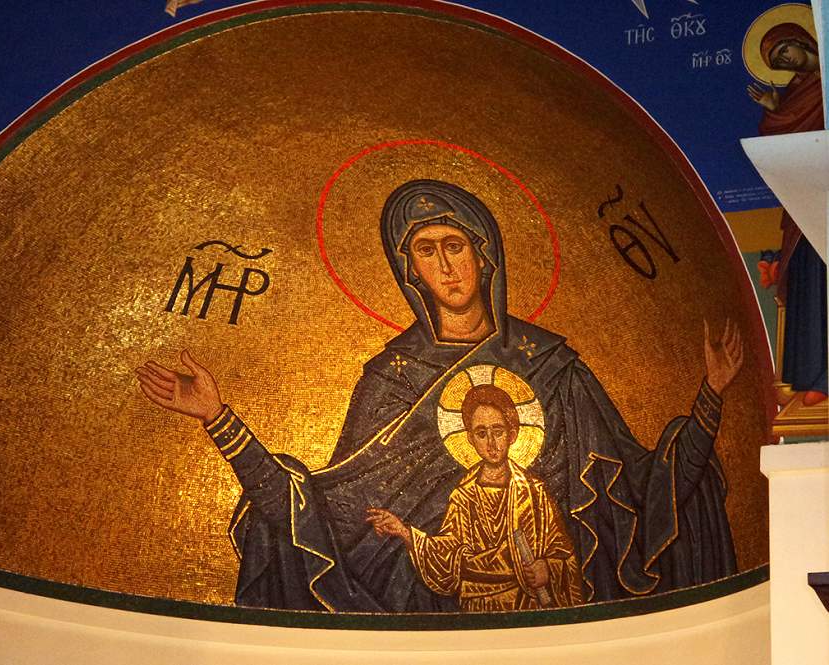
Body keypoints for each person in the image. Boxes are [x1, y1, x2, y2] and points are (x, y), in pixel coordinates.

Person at [136, 179, 742, 611]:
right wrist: (219, 419)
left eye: (456, 245)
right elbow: (324, 512)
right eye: (427, 251)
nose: (447, 266)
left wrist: (712, 395)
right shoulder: (392, 378)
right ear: (410, 271)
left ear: (484, 254)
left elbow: (646, 490)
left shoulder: (552, 366)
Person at [366, 384, 582, 611]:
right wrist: (404, 533)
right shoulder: (464, 496)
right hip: (477, 606)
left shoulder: (534, 493)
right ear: (470, 438)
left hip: (527, 606)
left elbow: (566, 557)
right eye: (481, 433)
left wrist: (548, 569)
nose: (491, 443)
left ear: (512, 434)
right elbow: (449, 556)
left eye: (498, 431)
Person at [746, 22, 827, 405]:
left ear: (799, 40)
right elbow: (779, 136)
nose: (784, 61)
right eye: (777, 61)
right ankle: (813, 377)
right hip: (807, 198)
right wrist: (776, 110)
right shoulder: (794, 93)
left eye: (783, 52)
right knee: (809, 280)